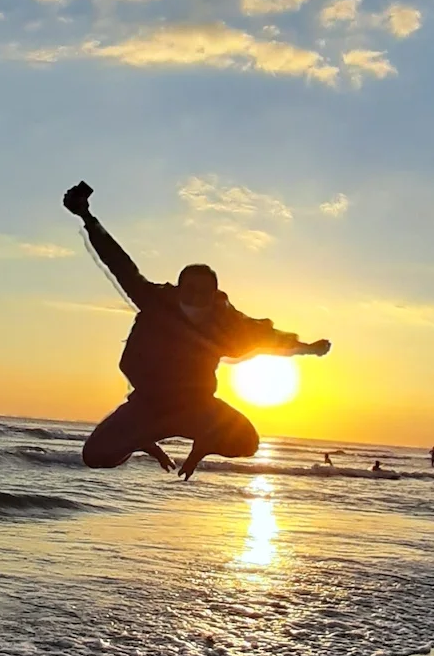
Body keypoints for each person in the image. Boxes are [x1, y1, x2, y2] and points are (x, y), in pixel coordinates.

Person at [66, 182, 330, 479]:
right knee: (95, 456)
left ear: (215, 295)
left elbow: (269, 337)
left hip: (197, 407)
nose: (195, 298)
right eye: (189, 291)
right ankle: (142, 441)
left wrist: (308, 347)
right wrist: (87, 217)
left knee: (247, 441)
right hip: (148, 405)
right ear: (179, 290)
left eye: (203, 293)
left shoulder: (228, 324)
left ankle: (203, 445)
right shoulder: (153, 301)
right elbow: (118, 261)